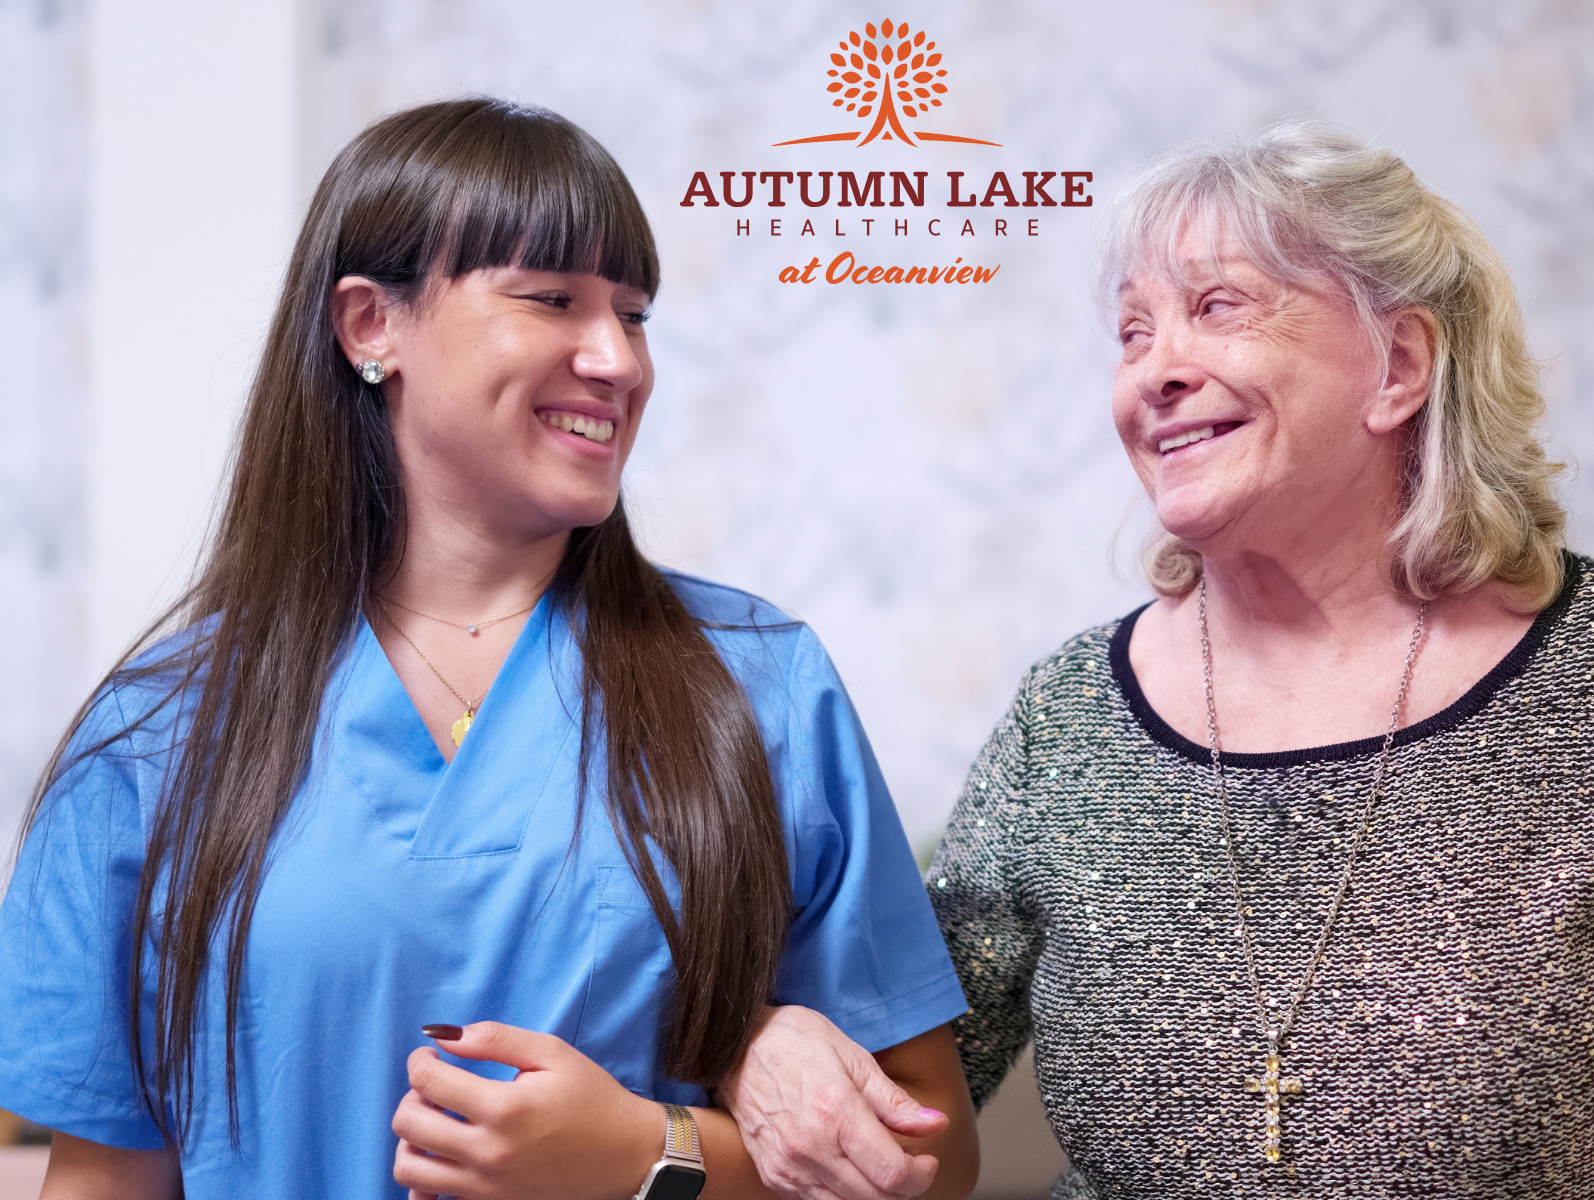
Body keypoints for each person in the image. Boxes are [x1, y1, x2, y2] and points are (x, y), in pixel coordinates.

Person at [713, 122, 1594, 1198]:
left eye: (1217, 307)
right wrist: (754, 1040)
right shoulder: (1068, 720)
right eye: (1134, 335)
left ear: (1400, 364)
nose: (1155, 374)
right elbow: (891, 1100)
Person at [0, 97, 977, 1200]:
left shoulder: (760, 685)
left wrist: (651, 1153)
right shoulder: (151, 740)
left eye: (636, 313)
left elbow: (928, 1162)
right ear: (372, 325)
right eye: (553, 299)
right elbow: (106, 1180)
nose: (617, 360)